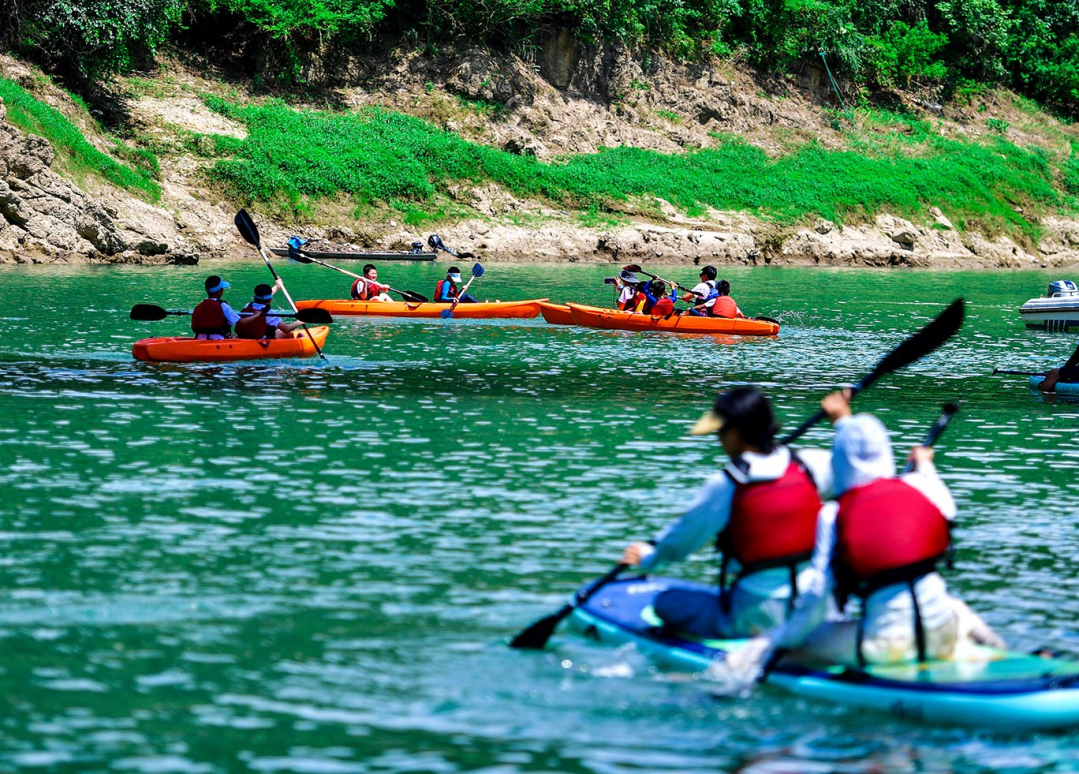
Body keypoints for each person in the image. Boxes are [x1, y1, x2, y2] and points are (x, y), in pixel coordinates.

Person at [728, 391, 1003, 675]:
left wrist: (784, 637)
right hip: (942, 629)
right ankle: (1003, 652)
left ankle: (730, 679)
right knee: (955, 607)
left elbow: (819, 592)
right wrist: (924, 463)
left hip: (886, 644)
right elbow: (944, 503)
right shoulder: (921, 488)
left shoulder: (834, 514)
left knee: (784, 641)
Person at [620, 387, 833, 639]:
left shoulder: (727, 483)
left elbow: (680, 543)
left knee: (666, 601)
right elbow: (865, 472)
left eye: (720, 431)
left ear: (736, 432)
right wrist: (843, 420)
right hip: (818, 606)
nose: (718, 439)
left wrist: (646, 557)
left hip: (758, 612)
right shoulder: (811, 464)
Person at [235, 280, 303, 340]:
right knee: (288, 331)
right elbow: (286, 329)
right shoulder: (270, 313)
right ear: (270, 300)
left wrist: (276, 286)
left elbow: (262, 299)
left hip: (244, 337)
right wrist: (300, 321)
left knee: (279, 331)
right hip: (263, 342)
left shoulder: (247, 305)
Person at [191, 275, 242, 340]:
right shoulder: (223, 305)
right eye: (222, 288)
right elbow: (240, 322)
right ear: (219, 291)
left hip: (199, 339)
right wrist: (256, 315)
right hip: (218, 340)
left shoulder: (199, 306)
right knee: (234, 336)